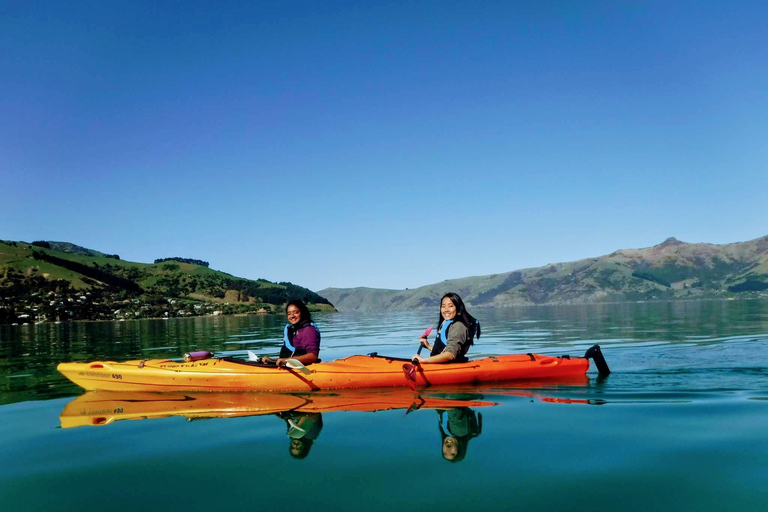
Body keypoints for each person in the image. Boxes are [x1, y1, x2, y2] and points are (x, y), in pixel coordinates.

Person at [413, 293, 480, 364]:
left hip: (449, 367)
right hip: (441, 365)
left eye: (450, 306)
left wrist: (423, 360)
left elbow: (450, 354)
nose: (446, 310)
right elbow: (442, 352)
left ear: (458, 309)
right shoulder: (447, 323)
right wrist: (427, 346)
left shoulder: (458, 326)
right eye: (443, 306)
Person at [263, 300, 320, 367]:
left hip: (304, 369)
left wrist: (286, 360)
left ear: (302, 312)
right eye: (289, 314)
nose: (292, 316)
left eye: (295, 312)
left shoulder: (308, 330)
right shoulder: (296, 330)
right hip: (291, 366)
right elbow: (289, 357)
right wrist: (272, 360)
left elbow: (313, 356)